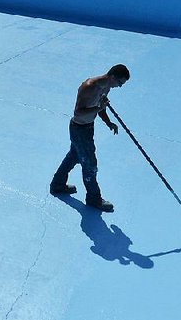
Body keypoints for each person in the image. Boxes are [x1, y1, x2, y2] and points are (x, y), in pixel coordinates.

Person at [50, 64, 130, 212]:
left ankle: (57, 184)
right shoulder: (89, 86)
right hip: (79, 128)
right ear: (112, 77)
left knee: (74, 156)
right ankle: (94, 198)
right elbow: (79, 112)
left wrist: (108, 122)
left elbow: (100, 107)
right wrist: (99, 108)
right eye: (120, 83)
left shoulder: (106, 87)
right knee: (90, 165)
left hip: (87, 128)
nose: (119, 87)